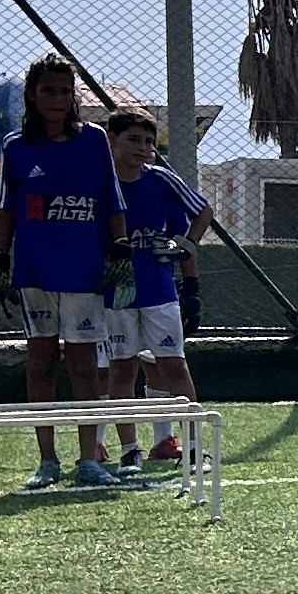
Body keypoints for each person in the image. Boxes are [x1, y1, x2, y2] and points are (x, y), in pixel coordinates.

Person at [0, 56, 125, 490]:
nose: (58, 99)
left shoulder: (95, 141)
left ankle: (89, 458)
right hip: (35, 272)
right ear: (32, 94)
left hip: (84, 272)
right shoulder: (16, 147)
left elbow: (112, 201)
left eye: (66, 91)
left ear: (75, 97)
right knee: (41, 360)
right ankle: (47, 459)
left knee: (84, 364)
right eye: (49, 90)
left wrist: (119, 251)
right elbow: (7, 208)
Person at [93, 107, 203, 478]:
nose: (143, 148)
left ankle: (192, 446)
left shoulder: (161, 181)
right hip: (114, 295)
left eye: (149, 142)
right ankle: (128, 450)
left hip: (159, 292)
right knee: (121, 369)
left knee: (173, 364)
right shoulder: (100, 185)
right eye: (134, 140)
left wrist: (185, 251)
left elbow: (202, 212)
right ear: (112, 140)